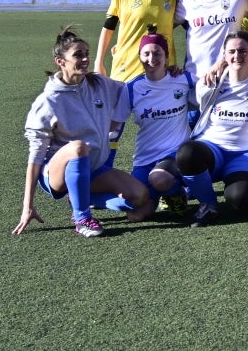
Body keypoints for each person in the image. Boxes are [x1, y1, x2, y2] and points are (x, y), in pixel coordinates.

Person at [16, 28, 152, 237]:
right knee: (79, 147)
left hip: (95, 168)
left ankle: (78, 195)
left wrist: (164, 75)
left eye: (87, 53)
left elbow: (130, 90)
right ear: (60, 61)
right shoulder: (48, 101)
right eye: (78, 55)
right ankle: (82, 218)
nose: (86, 59)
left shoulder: (99, 84)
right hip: (54, 174)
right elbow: (35, 158)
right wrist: (28, 206)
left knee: (140, 196)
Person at [177, 30, 248, 225]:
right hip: (213, 148)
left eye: (243, 51)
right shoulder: (212, 80)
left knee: (240, 201)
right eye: (232, 51)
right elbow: (189, 98)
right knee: (187, 153)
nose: (237, 56)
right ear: (224, 55)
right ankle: (208, 204)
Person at [122, 31, 195, 219]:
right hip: (144, 157)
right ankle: (157, 196)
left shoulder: (183, 79)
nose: (151, 58)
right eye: (146, 54)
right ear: (139, 57)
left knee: (159, 179)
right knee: (134, 214)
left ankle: (178, 193)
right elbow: (115, 124)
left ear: (167, 57)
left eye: (157, 53)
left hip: (174, 154)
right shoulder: (132, 88)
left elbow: (212, 84)